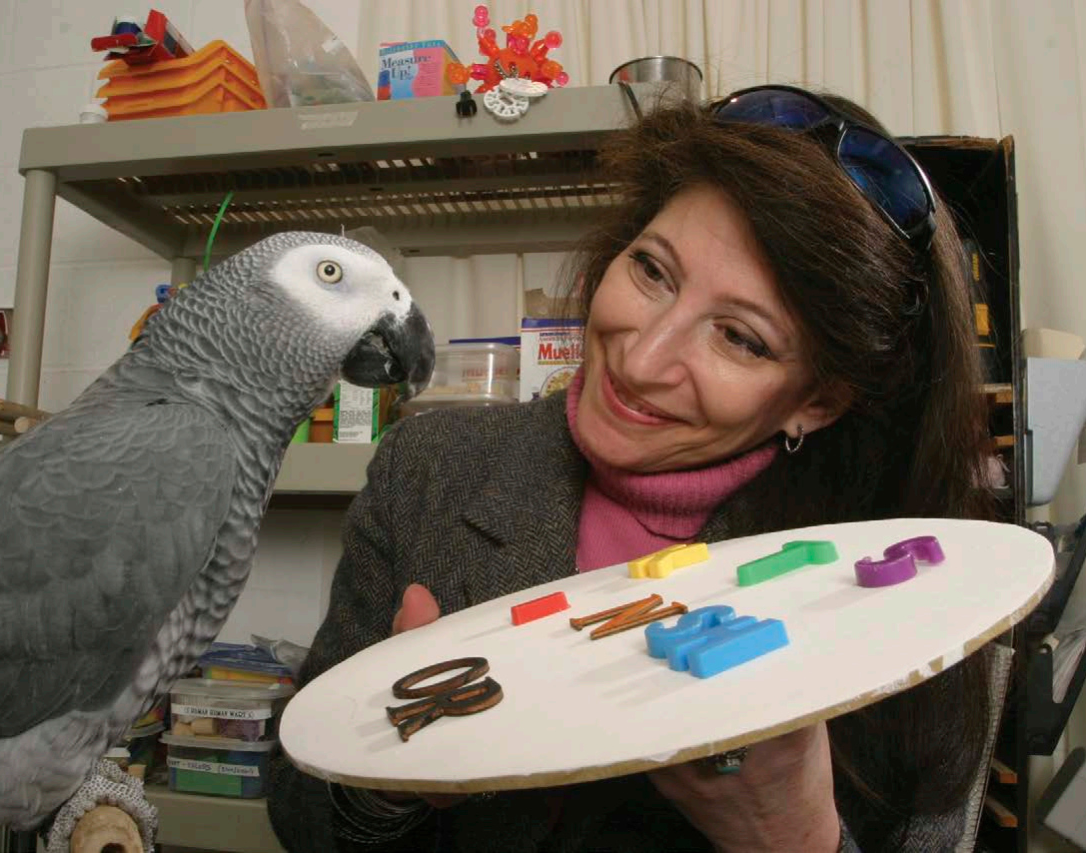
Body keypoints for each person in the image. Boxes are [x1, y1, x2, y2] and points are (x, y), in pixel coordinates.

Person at [266, 85, 999, 853]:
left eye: (739, 339)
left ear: (814, 401)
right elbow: (301, 807)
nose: (641, 358)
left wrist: (792, 838)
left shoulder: (916, 589)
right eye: (653, 271)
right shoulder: (428, 469)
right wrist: (390, 766)